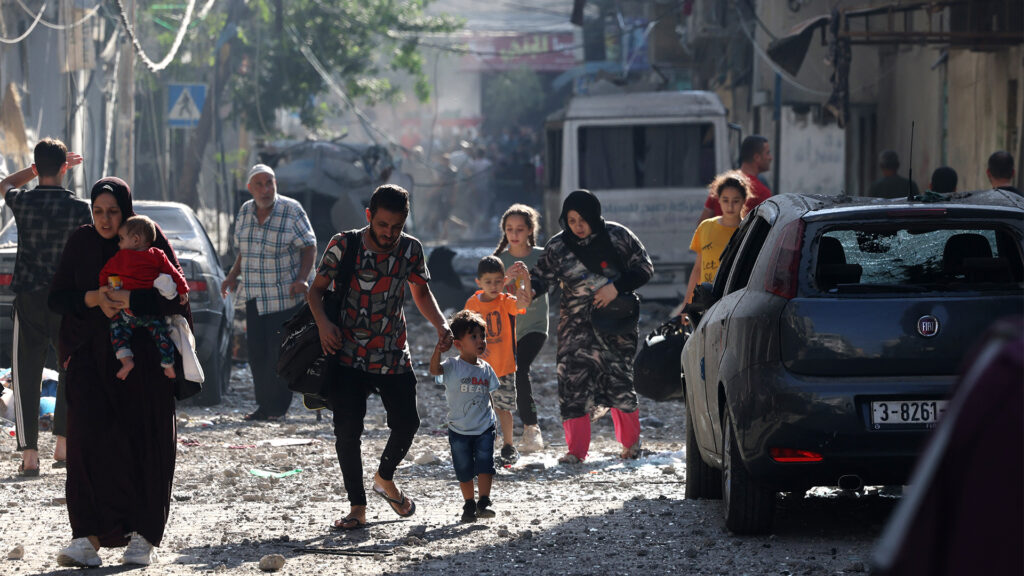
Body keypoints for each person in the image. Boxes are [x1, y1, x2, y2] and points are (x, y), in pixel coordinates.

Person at [48, 177, 190, 567]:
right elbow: (57, 297)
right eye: (98, 212)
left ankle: (143, 536)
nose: (106, 220)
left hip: (144, 364)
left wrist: (131, 299)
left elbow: (177, 298)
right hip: (91, 361)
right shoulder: (81, 242)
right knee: (86, 445)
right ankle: (87, 537)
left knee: (144, 444)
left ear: (126, 211)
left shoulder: (147, 238)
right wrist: (93, 298)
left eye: (113, 212)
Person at [308, 184, 453, 531]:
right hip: (347, 354)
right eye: (383, 225)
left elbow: (421, 292)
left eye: (397, 227)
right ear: (369, 216)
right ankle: (357, 507)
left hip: (392, 353)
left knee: (408, 423)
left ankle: (384, 478)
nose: (389, 233)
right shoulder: (344, 245)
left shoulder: (411, 249)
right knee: (347, 431)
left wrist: (441, 324)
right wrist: (324, 325)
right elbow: (315, 291)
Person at [529, 190, 654, 463]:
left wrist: (615, 288)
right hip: (575, 329)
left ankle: (631, 446)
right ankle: (576, 451)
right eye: (572, 220)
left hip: (615, 327)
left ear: (595, 216)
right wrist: (528, 290)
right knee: (572, 383)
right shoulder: (558, 246)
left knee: (619, 383)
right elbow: (542, 278)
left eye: (583, 219)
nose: (578, 226)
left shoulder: (618, 236)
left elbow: (645, 268)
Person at [0, 137, 92, 477]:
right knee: (70, 368)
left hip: (28, 297)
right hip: (66, 298)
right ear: (66, 168)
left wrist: (32, 170)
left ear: (37, 168)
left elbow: (4, 184)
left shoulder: (23, 202)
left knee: (26, 373)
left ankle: (29, 456)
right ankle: (63, 445)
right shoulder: (80, 209)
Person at [222, 163, 316, 421]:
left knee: (280, 354)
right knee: (257, 354)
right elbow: (243, 250)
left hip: (284, 297)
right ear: (250, 188)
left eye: (269, 183)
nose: (265, 189)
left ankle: (277, 408)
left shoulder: (291, 209)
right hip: (255, 294)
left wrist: (302, 278)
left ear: (275, 185)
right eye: (260, 184)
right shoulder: (245, 211)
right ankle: (264, 407)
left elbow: (309, 246)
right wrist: (232, 276)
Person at [430, 309, 501, 523]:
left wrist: (494, 422)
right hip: (459, 430)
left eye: (482, 336)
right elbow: (434, 371)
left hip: (484, 427)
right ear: (458, 344)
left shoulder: (486, 369)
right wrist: (438, 350)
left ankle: (484, 502)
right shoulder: (452, 366)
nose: (481, 341)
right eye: (474, 336)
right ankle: (469, 504)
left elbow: (489, 395)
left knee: (486, 465)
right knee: (464, 469)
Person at [98, 215, 189, 380]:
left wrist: (104, 288)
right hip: (150, 314)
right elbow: (174, 273)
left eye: (121, 239)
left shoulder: (120, 257)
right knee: (162, 335)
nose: (119, 244)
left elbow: (104, 273)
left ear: (135, 240)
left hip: (126, 313)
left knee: (117, 332)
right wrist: (183, 290)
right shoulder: (158, 255)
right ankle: (168, 364)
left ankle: (126, 361)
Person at [463, 255, 530, 466]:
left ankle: (508, 446)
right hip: (479, 369)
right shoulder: (472, 303)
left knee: (504, 408)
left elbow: (523, 302)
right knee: (480, 409)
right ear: (479, 282)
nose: (493, 286)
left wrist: (525, 279)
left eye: (498, 281)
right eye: (488, 282)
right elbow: (465, 330)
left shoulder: (506, 301)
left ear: (504, 281)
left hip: (504, 367)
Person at [493, 204, 549, 453]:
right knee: (498, 377)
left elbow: (550, 282)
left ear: (530, 230)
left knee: (520, 369)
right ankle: (497, 432)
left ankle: (531, 429)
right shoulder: (499, 260)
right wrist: (505, 278)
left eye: (519, 229)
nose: (514, 234)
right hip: (506, 330)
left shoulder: (542, 257)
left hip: (535, 327)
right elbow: (487, 292)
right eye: (509, 229)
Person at [684, 171, 752, 305]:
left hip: (735, 303)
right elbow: (697, 269)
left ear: (744, 200)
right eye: (725, 200)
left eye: (736, 201)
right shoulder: (705, 227)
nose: (730, 206)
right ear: (718, 199)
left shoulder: (749, 231)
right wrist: (687, 302)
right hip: (706, 302)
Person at [698, 135, 772, 221]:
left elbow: (702, 222)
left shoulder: (721, 183)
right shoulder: (762, 193)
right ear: (757, 157)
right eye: (767, 153)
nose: (770, 158)